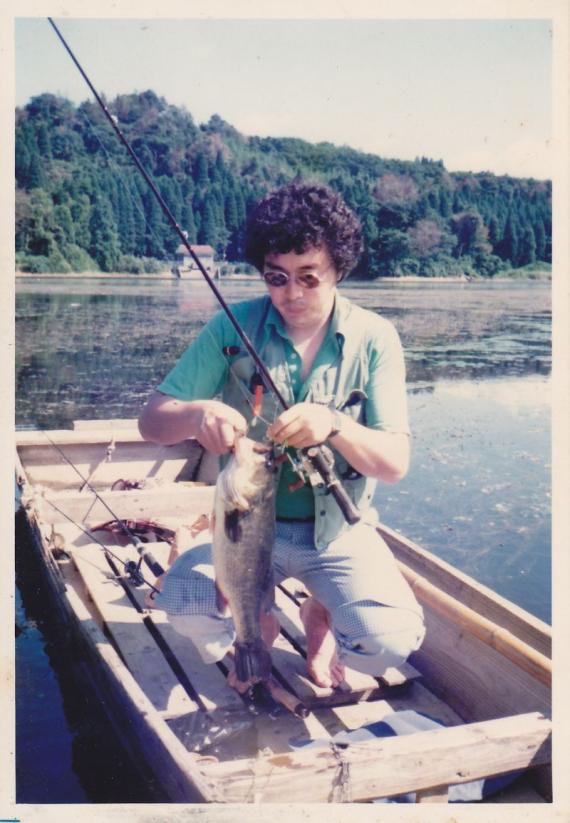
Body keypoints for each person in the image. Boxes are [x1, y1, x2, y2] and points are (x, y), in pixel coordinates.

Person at [138, 181, 425, 691]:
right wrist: (197, 414)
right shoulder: (232, 327)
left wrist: (335, 425)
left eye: (309, 277)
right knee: (181, 602)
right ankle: (259, 620)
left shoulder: (375, 338)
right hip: (244, 529)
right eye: (277, 277)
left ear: (338, 269)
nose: (291, 294)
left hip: (337, 532)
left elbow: (395, 462)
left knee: (387, 642)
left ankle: (320, 616)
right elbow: (152, 421)